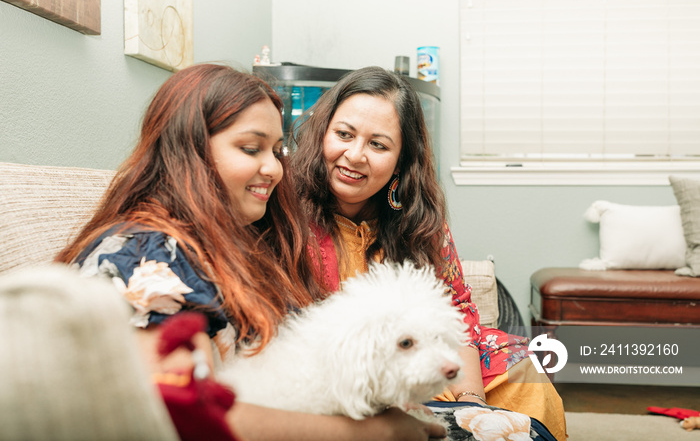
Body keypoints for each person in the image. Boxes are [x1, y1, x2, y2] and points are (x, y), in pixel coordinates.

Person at [55, 63, 446, 441]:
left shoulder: (237, 246)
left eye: (276, 150)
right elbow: (178, 417)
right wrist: (374, 433)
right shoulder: (145, 258)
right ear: (187, 151)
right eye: (250, 148)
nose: (275, 169)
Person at [290, 66, 567, 440]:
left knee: (522, 371)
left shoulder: (420, 222)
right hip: (335, 373)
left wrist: (471, 404)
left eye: (378, 145)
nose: (354, 155)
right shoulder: (283, 209)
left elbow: (458, 313)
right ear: (323, 132)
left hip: (430, 359)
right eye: (343, 135)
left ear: (401, 162)